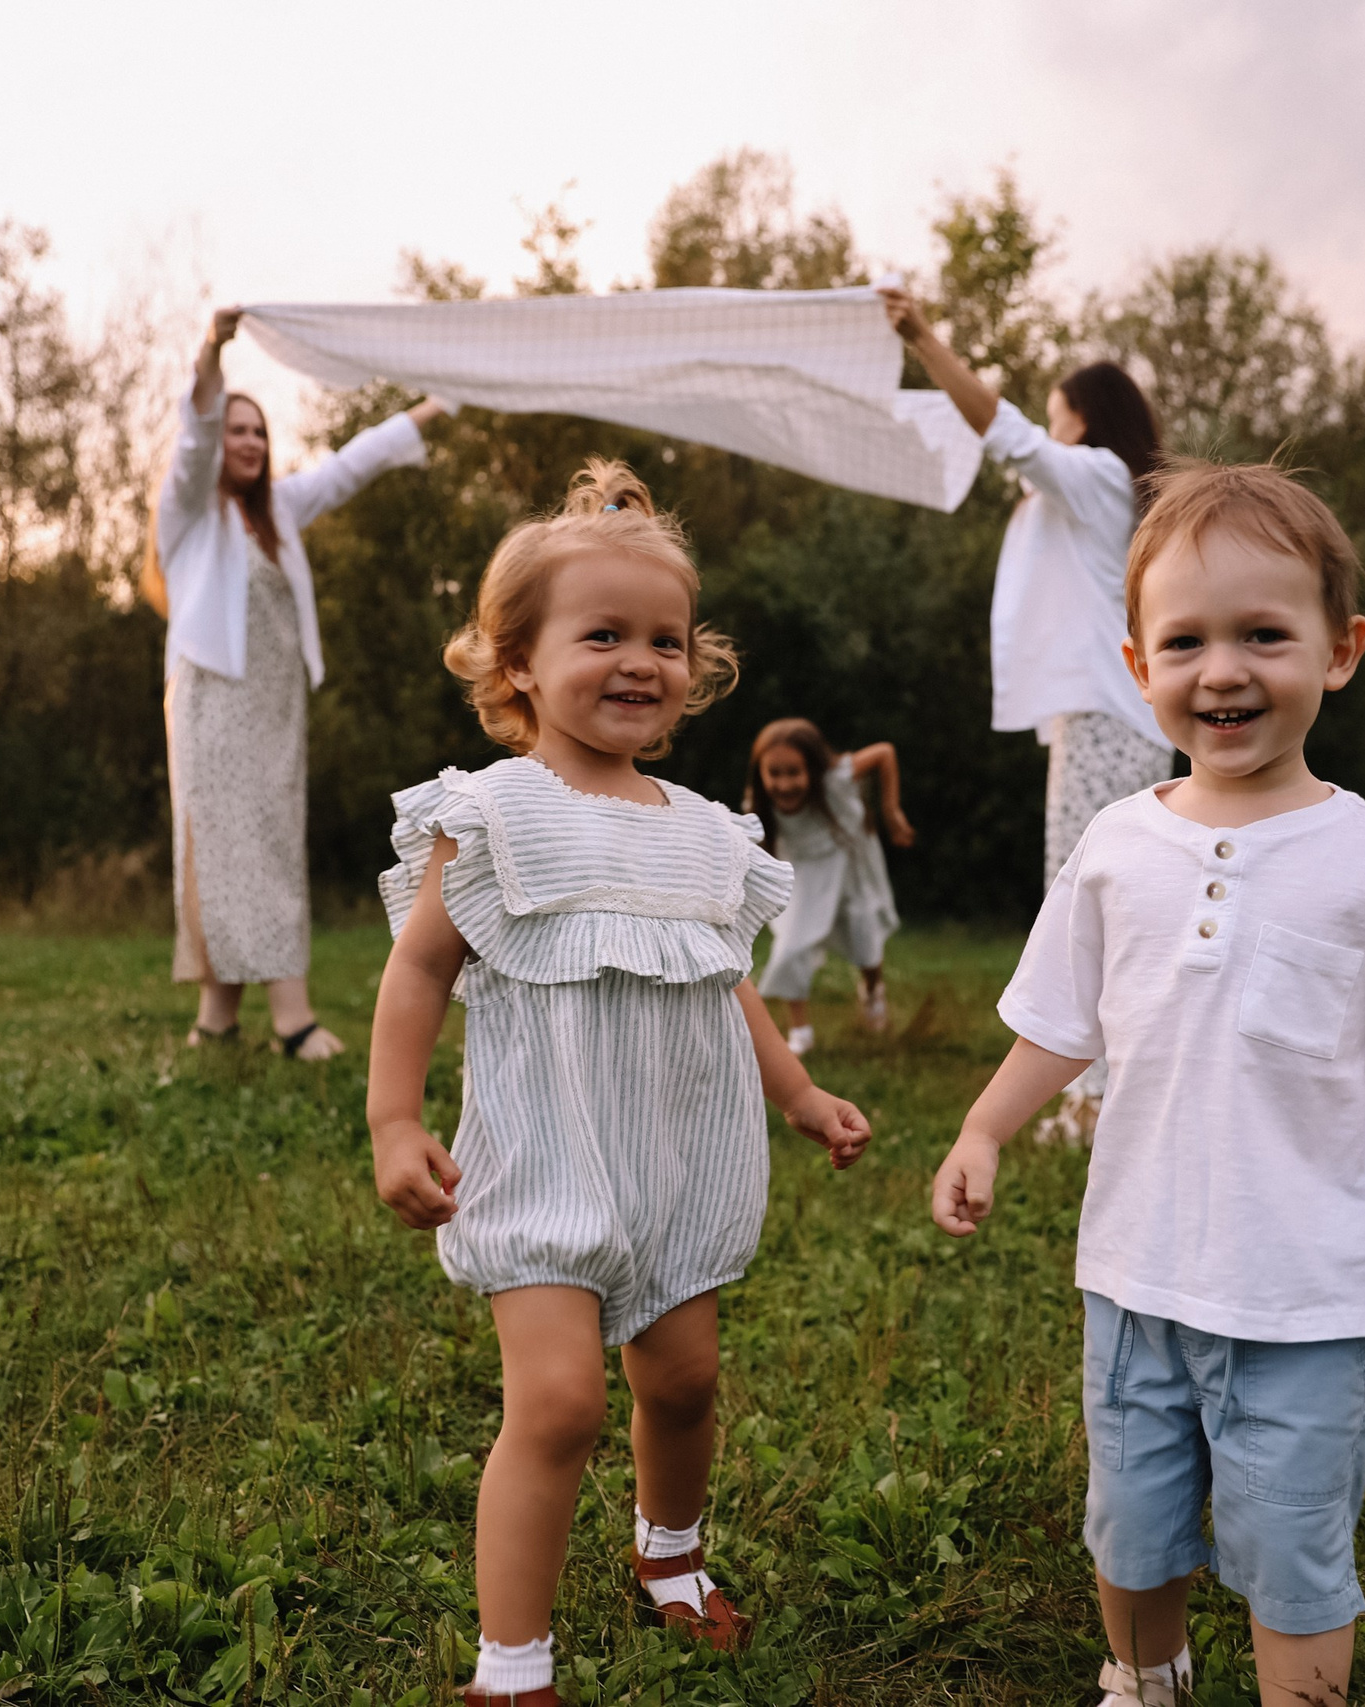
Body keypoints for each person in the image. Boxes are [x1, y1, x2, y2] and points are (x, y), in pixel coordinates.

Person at [927, 461, 1365, 1707]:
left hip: (1307, 1295)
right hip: (1136, 1272)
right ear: (1136, 665)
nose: (1224, 671)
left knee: (1292, 1551)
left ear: (1340, 649)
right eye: (1186, 641)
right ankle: (1143, 1681)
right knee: (1131, 1528)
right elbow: (1059, 1019)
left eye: (1265, 635)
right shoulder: (1114, 848)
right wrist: (986, 1129)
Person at [364, 460, 872, 1707]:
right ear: (518, 662)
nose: (641, 661)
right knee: (556, 1405)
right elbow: (419, 972)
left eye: (664, 639)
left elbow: (721, 976)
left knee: (684, 1382)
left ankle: (669, 1558)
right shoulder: (491, 814)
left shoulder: (706, 830)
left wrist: (796, 1096)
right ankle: (511, 1667)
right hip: (542, 1156)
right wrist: (392, 1118)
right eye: (602, 635)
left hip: (677, 1158)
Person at [880, 285, 1173, 1140]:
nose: (1051, 431)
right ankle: (1101, 1091)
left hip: (1108, 722)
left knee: (1091, 902)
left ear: (1087, 418)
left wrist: (925, 338)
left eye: (1059, 415)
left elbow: (1001, 430)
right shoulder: (1105, 488)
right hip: (1100, 720)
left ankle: (1099, 1100)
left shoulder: (1098, 476)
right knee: (1095, 899)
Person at [149, 306, 448, 1059]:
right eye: (235, 430)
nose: (247, 442)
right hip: (213, 705)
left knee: (268, 846)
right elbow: (193, 437)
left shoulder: (279, 511)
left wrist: (442, 403)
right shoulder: (187, 514)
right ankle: (293, 1019)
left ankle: (217, 1019)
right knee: (228, 850)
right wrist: (213, 349)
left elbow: (354, 462)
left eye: (259, 432)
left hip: (274, 709)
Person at [742, 716, 914, 1053]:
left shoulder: (835, 780)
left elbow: (884, 752)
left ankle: (872, 991)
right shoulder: (758, 804)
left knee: (865, 937)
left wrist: (891, 811)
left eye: (794, 772)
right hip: (803, 875)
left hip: (847, 866)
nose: (785, 783)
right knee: (791, 948)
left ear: (814, 769)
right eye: (774, 773)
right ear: (761, 771)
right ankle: (800, 1030)